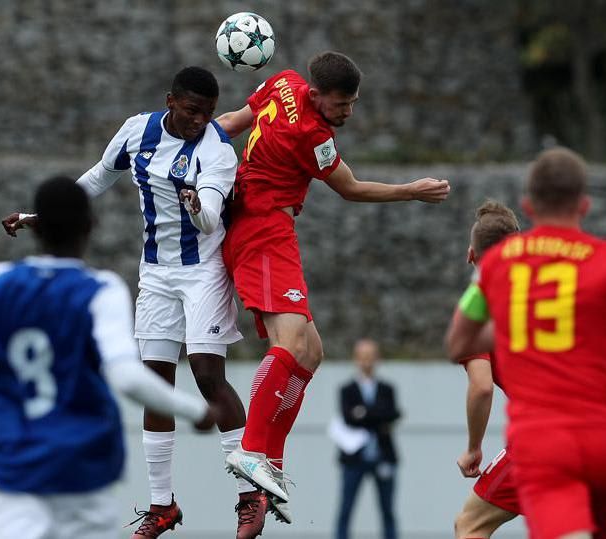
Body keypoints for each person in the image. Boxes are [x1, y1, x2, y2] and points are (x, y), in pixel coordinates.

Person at [0, 67, 262, 537]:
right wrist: (46, 215)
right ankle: (162, 506)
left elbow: (208, 222)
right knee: (154, 379)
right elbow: (100, 177)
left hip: (203, 270)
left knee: (205, 373)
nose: (200, 121)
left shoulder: (219, 151)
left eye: (207, 113)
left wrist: (196, 206)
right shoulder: (137, 130)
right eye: (191, 111)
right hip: (157, 273)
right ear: (170, 101)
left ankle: (250, 493)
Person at [215, 50, 450, 537]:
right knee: (290, 343)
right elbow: (351, 188)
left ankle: (270, 463)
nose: (349, 112)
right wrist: (411, 190)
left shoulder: (280, 83)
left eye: (354, 103)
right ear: (318, 95)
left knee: (312, 351)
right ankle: (252, 450)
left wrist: (197, 148)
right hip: (262, 228)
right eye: (343, 103)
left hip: (263, 224)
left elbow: (230, 123)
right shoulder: (314, 135)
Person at [0, 177, 216, 539]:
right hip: (84, 472)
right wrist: (197, 411)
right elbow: (125, 376)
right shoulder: (100, 290)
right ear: (90, 225)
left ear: (37, 226)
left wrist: (8, 378)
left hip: (8, 469)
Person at [446, 148, 606, 539]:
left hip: (544, 440)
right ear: (584, 205)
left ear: (528, 205)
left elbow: (457, 342)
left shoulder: (500, 266)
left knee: (470, 525)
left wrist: (516, 325)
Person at [451, 201, 522, 539]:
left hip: (545, 432)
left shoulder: (480, 304)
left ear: (470, 254)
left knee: (470, 524)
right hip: (599, 429)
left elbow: (481, 386)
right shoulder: (551, 287)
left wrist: (473, 448)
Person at [335, 339, 401, 539]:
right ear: (356, 359)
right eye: (363, 357)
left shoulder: (387, 389)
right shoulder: (347, 389)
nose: (367, 361)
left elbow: (392, 414)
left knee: (387, 510)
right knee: (346, 509)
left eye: (370, 356)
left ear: (377, 358)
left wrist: (363, 413)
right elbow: (348, 418)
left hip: (383, 456)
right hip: (354, 459)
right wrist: (377, 416)